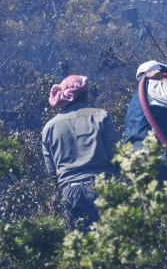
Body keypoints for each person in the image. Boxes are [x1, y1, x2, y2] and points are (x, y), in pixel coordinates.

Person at [42, 75, 118, 231]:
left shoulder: (49, 128)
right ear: (84, 94)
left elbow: (52, 171)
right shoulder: (101, 116)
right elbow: (115, 154)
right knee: (111, 244)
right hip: (102, 185)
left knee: (80, 248)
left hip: (70, 191)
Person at [124, 61, 167, 181]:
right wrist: (162, 79)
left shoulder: (144, 96)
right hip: (151, 158)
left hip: (139, 160)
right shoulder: (151, 85)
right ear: (155, 73)